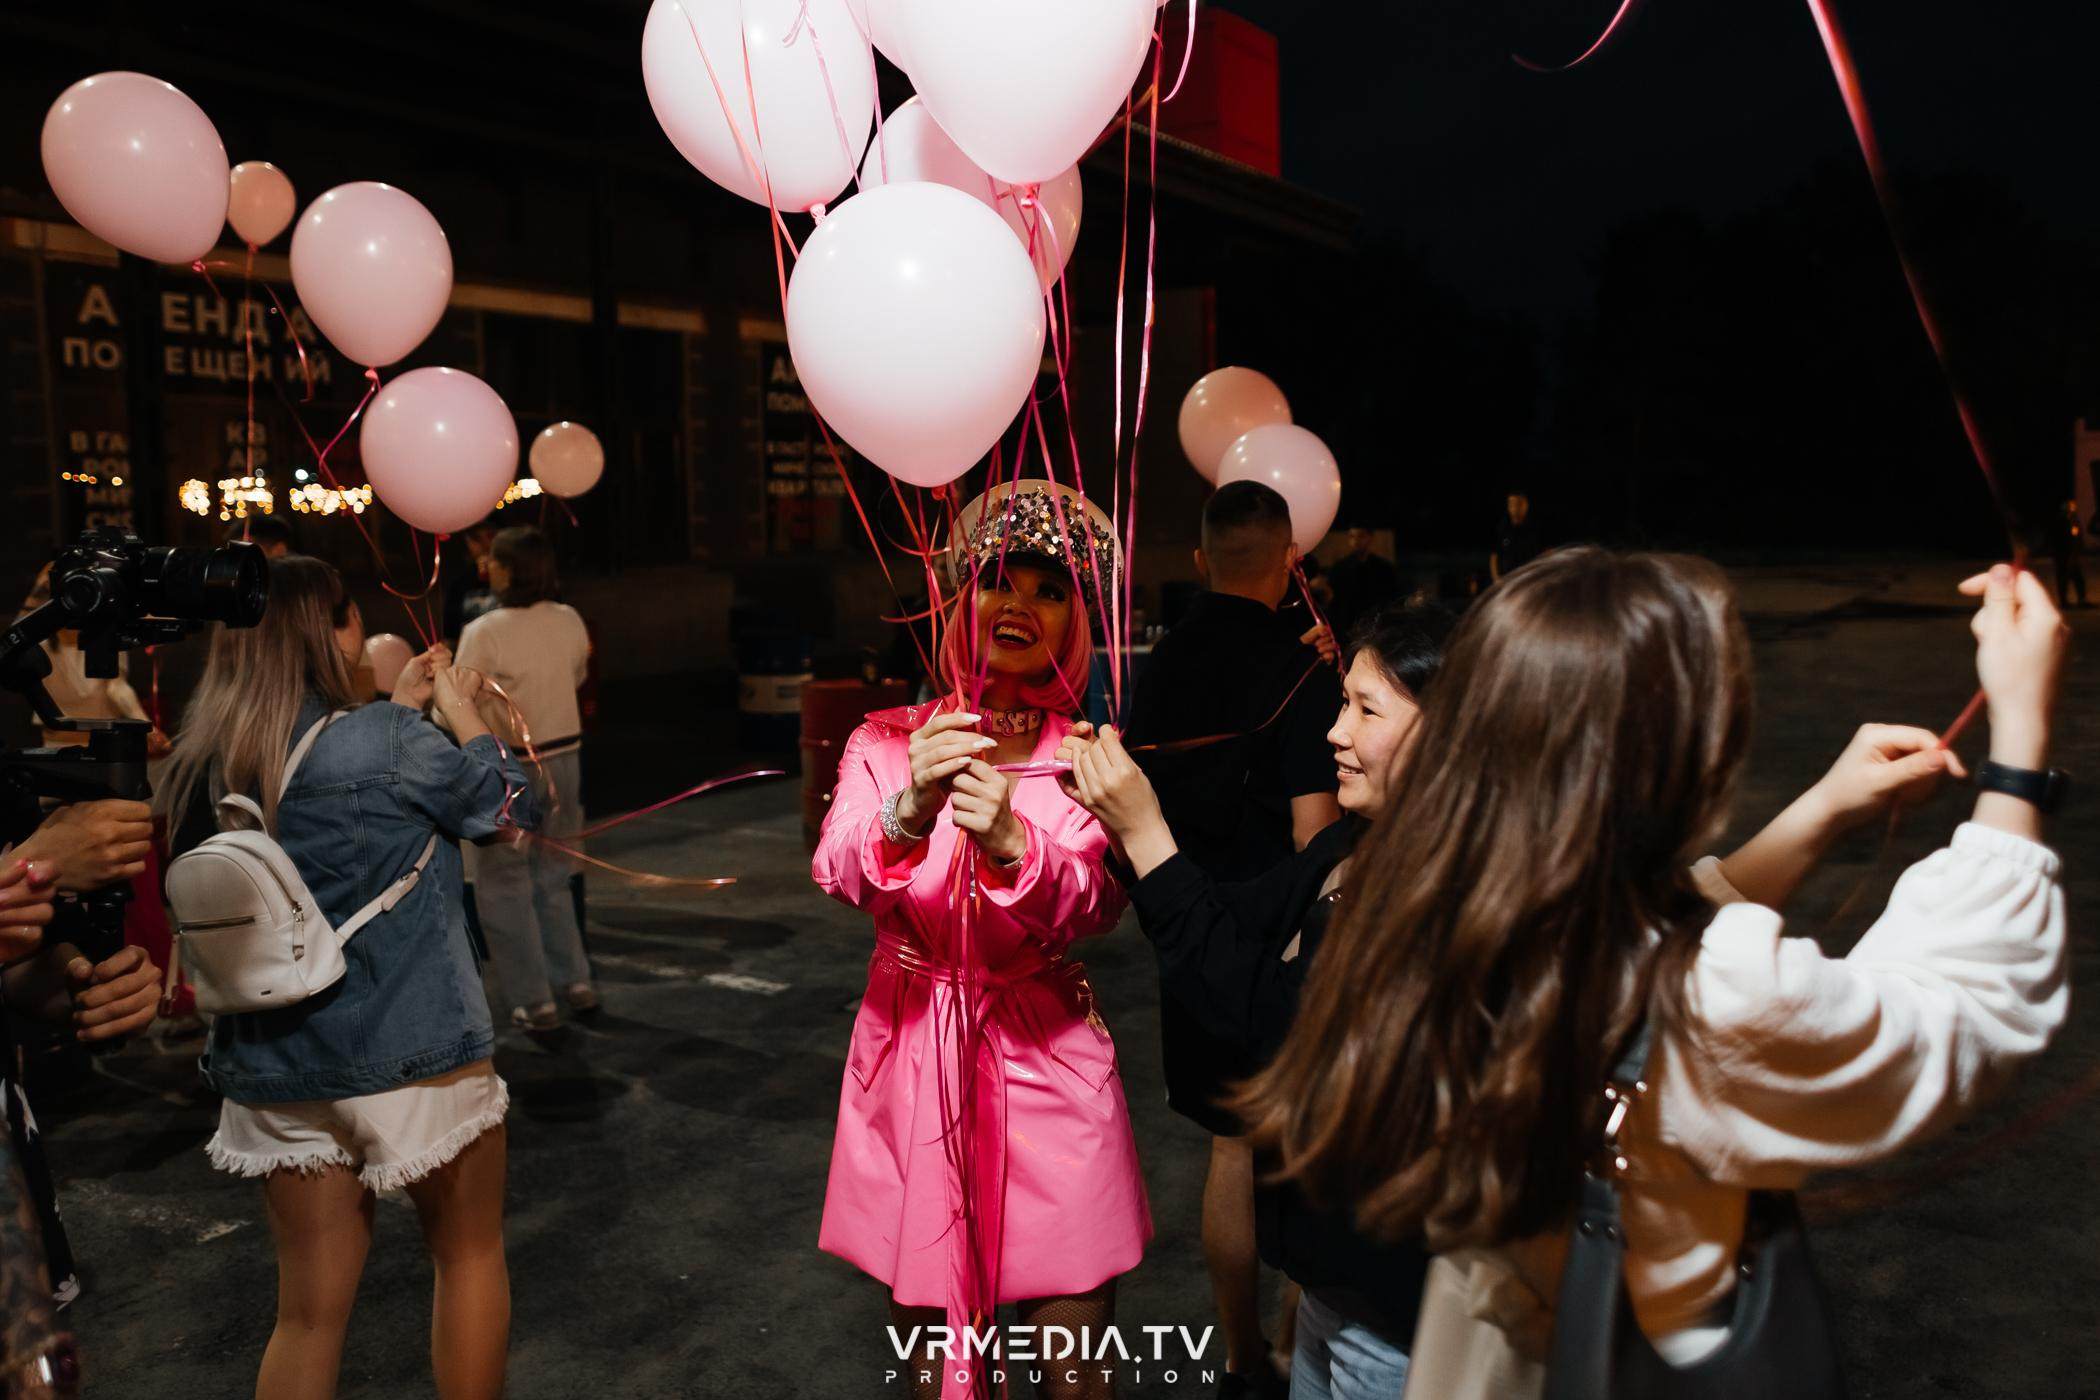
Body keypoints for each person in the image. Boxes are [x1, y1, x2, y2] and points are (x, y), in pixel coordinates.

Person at [1235, 549, 2069, 1396]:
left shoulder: (1425, 904)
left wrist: (1823, 807)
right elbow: (1962, 1013)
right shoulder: (1708, 992)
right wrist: (2020, 746)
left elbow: (1629, 927)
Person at [156, 554, 531, 1400]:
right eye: (349, 614)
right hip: (414, 1047)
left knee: (306, 1317)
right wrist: (462, 711)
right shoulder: (389, 742)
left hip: (271, 1060)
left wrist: (394, 716)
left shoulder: (211, 758)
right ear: (329, 630)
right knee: (468, 1258)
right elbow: (505, 808)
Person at [1058, 601, 1454, 1400]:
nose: (1335, 733)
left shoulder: (1438, 899)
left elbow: (1268, 1019)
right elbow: (1234, 918)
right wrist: (1128, 828)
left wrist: (1147, 832)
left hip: (1395, 1321)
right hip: (1330, 1291)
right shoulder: (1356, 844)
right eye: (1342, 703)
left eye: (1365, 709)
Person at [812, 481, 1149, 1400]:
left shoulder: (1087, 754)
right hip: (912, 1054)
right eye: (1002, 580)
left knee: (1077, 1368)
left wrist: (1012, 842)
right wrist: (909, 807)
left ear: (1074, 619)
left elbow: (1094, 904)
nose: (1021, 605)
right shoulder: (885, 740)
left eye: (1050, 590)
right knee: (936, 1365)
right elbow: (837, 868)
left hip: (1050, 1057)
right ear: (965, 596)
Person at [1121, 478, 1341, 1397]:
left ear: (1203, 561)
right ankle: (1300, 1349)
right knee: (1300, 1152)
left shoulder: (1158, 665)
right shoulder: (1305, 668)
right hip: (1282, 942)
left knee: (1227, 1146)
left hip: (1187, 925)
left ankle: (1239, 1357)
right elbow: (1315, 833)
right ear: (1291, 560)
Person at [454, 526, 595, 1031]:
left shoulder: (485, 630)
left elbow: (458, 702)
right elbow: (577, 673)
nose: (486, 567)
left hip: (508, 767)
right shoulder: (568, 618)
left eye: (494, 561)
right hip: (566, 757)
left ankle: (536, 1001)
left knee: (504, 883)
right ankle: (575, 980)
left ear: (509, 569)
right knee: (555, 874)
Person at [1325, 528, 1400, 642]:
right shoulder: (1340, 568)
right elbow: (1335, 601)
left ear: (1370, 538)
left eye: (1360, 536)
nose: (1355, 541)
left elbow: (1391, 599)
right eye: (1352, 536)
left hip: (1375, 626)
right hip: (1347, 629)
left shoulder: (1384, 568)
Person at [441, 520, 502, 647]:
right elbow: (450, 635)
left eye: (490, 536)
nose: (485, 545)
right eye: (476, 539)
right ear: (467, 541)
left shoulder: (516, 579)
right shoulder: (459, 583)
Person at [1488, 490, 1541, 583]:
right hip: (1506, 581)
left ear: (1526, 505)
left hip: (1528, 581)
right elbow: (1494, 556)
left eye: (1519, 503)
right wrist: (1497, 580)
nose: (1515, 507)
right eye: (1512, 503)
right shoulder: (1502, 529)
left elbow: (1545, 555)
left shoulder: (1535, 530)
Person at [2047, 497, 2087, 608]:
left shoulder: (2072, 519)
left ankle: (2081, 599)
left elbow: (2076, 535)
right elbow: (2059, 538)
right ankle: (2064, 601)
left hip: (2071, 552)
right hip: (2063, 553)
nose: (2074, 507)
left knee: (2077, 576)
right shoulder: (2060, 520)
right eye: (2071, 505)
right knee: (2063, 577)